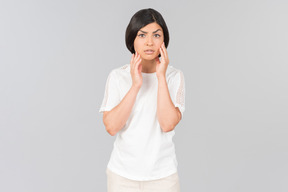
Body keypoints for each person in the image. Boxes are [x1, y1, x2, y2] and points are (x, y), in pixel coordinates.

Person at [99, 8, 185, 192]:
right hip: (122, 176)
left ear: (164, 40)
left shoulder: (174, 77)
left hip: (163, 177)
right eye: (142, 35)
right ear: (132, 39)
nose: (149, 42)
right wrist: (136, 85)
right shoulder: (118, 76)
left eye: (156, 35)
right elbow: (111, 127)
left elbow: (167, 123)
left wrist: (160, 77)